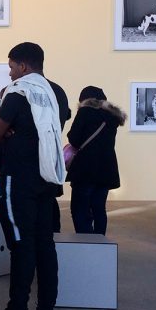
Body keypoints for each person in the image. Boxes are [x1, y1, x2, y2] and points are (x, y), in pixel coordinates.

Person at [0, 42, 65, 310]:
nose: (9, 73)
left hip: (18, 180)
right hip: (47, 179)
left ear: (23, 66)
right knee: (45, 245)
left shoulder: (18, 93)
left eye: (11, 66)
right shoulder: (56, 93)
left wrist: (8, 131)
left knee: (21, 246)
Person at [66, 86, 126, 235]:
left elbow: (74, 139)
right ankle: (100, 242)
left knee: (80, 209)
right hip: (106, 169)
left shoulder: (85, 112)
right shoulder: (112, 117)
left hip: (85, 170)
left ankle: (87, 243)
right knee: (99, 208)